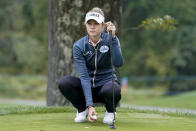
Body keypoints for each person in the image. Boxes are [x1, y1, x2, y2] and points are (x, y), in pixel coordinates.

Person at [58, 7, 124, 125]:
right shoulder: (79, 46)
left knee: (114, 89)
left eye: (96, 24)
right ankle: (82, 109)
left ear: (103, 25)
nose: (92, 27)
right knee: (64, 82)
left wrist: (113, 39)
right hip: (86, 87)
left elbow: (119, 63)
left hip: (105, 87)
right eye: (89, 23)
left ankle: (110, 111)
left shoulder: (111, 39)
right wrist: (89, 105)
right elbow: (83, 76)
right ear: (85, 25)